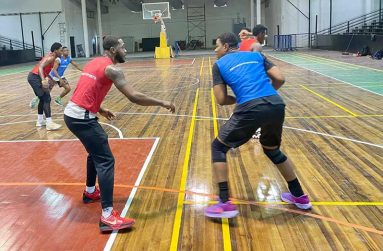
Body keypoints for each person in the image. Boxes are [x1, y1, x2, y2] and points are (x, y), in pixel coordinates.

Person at [64, 36, 175, 232]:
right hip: (82, 118)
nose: (126, 51)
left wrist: (99, 109)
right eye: (123, 48)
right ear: (114, 49)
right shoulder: (113, 69)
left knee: (96, 152)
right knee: (106, 160)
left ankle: (90, 192)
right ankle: (107, 216)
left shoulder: (95, 62)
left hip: (74, 113)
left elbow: (86, 91)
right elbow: (134, 96)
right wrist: (162, 103)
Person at [204, 33, 311, 219]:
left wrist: (245, 100)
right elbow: (280, 78)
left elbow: (221, 99)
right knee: (272, 150)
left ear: (227, 47)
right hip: (276, 104)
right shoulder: (257, 56)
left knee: (218, 147)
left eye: (217, 46)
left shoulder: (218, 65)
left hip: (250, 107)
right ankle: (299, 196)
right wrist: (266, 96)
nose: (215, 50)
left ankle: (224, 204)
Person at [27, 43, 63, 131]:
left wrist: (58, 80)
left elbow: (46, 72)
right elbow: (40, 68)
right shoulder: (51, 58)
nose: (61, 52)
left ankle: (40, 121)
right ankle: (49, 123)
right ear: (55, 51)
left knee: (43, 99)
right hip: (34, 77)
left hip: (35, 77)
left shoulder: (53, 58)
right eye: (60, 50)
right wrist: (43, 80)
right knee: (47, 98)